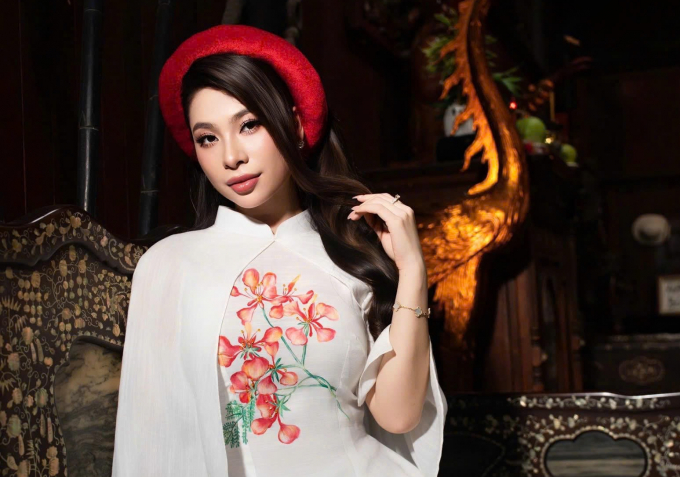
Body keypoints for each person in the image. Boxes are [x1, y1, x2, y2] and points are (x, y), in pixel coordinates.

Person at [112, 25, 447, 477]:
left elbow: (398, 415)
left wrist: (411, 269)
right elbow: (151, 441)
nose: (231, 157)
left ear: (294, 124)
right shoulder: (169, 264)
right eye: (208, 138)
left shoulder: (350, 256)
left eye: (249, 125)